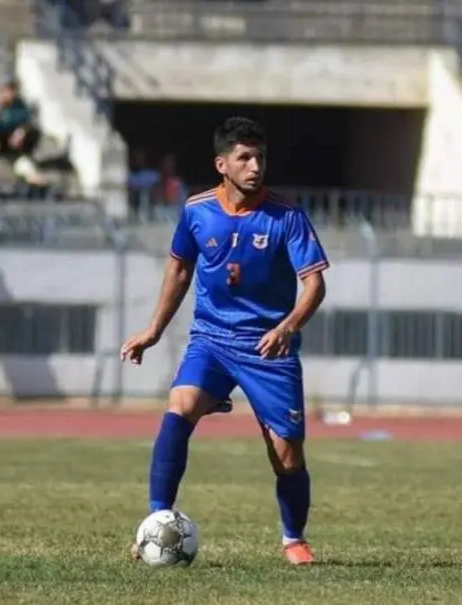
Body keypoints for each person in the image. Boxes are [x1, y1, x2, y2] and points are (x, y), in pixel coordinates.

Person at [121, 117, 329, 565]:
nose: (255, 166)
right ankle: (157, 522)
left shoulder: (287, 216)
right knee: (178, 407)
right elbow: (179, 269)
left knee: (287, 455)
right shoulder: (197, 211)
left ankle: (293, 538)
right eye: (245, 158)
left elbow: (314, 285)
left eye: (260, 157)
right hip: (212, 339)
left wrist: (287, 327)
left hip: (268, 347)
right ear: (222, 164)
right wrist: (153, 330)